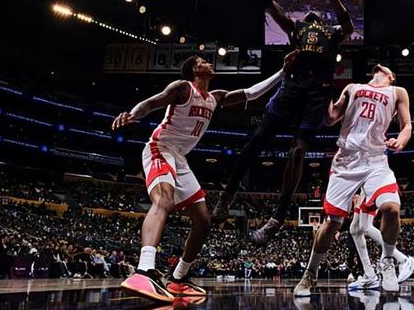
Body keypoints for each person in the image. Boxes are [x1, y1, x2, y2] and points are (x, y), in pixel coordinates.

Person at [112, 52, 297, 302]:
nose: (208, 63)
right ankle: (144, 270)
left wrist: (282, 73)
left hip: (180, 158)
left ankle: (178, 277)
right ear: (194, 70)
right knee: (164, 201)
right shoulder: (182, 88)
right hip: (160, 148)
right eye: (202, 62)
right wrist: (133, 114)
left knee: (203, 220)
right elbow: (152, 103)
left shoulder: (215, 97)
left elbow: (251, 93)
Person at [213, 0, 355, 246]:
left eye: (316, 17)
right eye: (310, 18)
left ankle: (277, 217)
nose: (312, 19)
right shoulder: (294, 28)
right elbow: (266, 1)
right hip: (292, 87)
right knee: (256, 141)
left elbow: (348, 25)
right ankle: (227, 195)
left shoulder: (331, 35)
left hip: (317, 93)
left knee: (298, 152)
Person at [294, 64, 412, 296]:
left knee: (391, 208)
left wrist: (401, 140)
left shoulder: (397, 92)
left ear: (391, 76)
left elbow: (407, 125)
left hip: (375, 159)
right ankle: (310, 273)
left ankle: (387, 261)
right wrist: (324, 92)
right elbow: (330, 119)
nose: (379, 66)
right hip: (347, 161)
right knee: (332, 222)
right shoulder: (352, 87)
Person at [348, 190, 414, 290]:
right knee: (355, 230)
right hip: (364, 189)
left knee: (365, 227)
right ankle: (370, 275)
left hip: (369, 187)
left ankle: (403, 260)